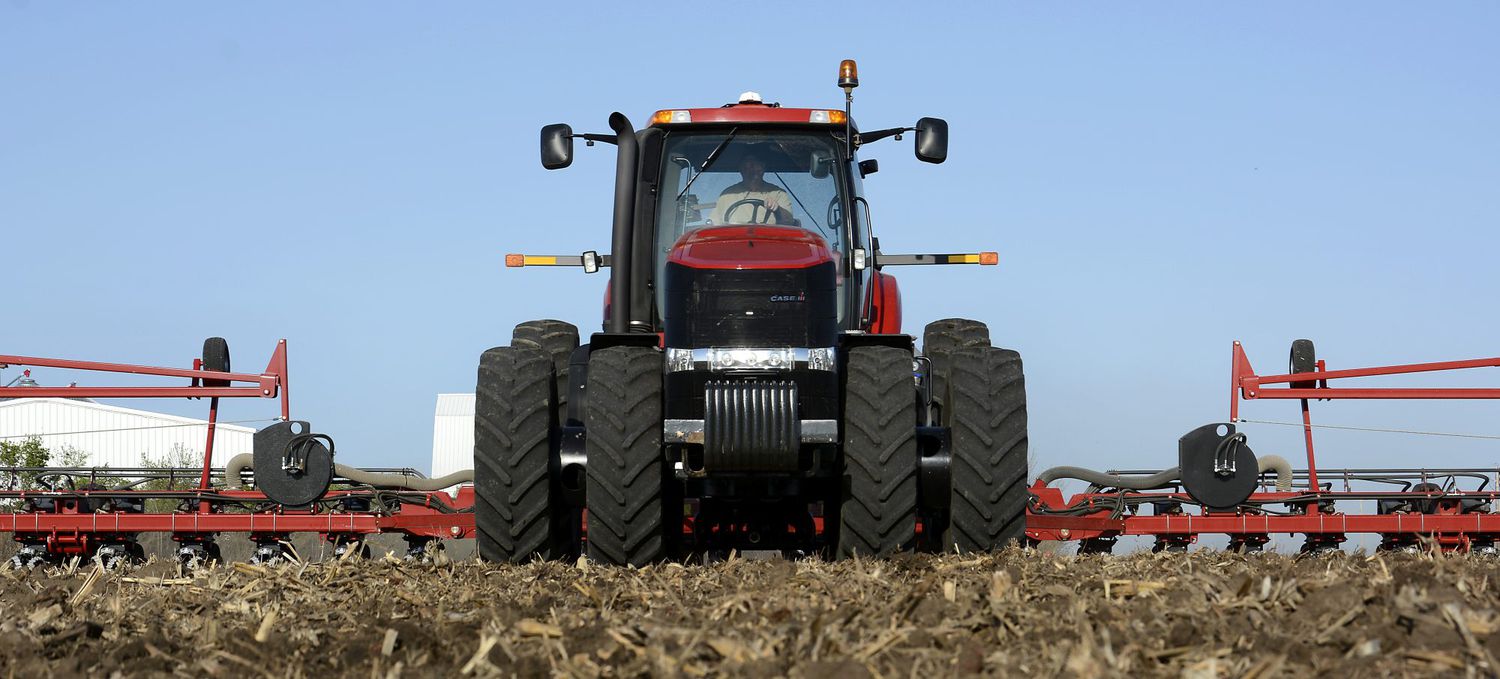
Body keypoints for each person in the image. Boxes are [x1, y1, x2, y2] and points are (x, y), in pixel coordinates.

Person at [711, 151, 799, 226]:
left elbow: (789, 223)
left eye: (754, 165)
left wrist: (777, 209)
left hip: (769, 241)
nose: (751, 170)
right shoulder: (727, 195)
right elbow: (714, 225)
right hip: (735, 241)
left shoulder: (778, 193)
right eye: (747, 166)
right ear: (741, 169)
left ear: (762, 167)